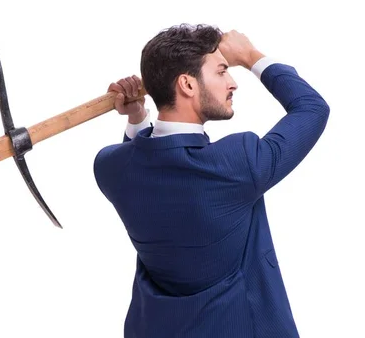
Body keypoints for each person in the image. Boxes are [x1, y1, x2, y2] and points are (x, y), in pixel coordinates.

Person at [93, 24, 330, 338]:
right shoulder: (237, 163)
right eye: (221, 72)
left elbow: (136, 159)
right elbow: (312, 108)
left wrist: (137, 117)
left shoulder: (110, 168)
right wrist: (249, 56)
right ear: (188, 85)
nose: (232, 83)